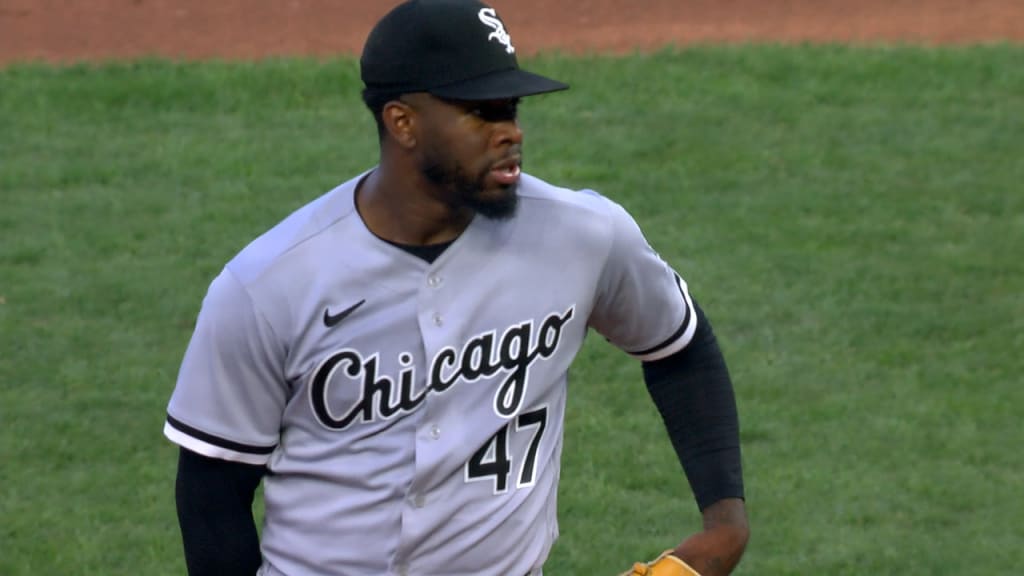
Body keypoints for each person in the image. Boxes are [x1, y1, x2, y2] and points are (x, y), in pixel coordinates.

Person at [164, 1, 749, 575]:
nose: (510, 133)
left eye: (512, 109)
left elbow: (680, 347)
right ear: (404, 123)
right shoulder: (269, 283)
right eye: (481, 112)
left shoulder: (584, 234)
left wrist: (724, 526)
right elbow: (212, 491)